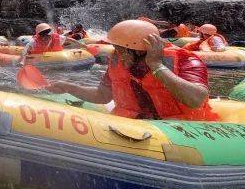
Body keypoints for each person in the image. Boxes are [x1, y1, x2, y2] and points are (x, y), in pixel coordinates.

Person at [46, 19, 217, 121]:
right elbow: (102, 96)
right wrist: (68, 87)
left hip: (183, 130)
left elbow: (196, 100)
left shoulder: (186, 60)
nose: (116, 53)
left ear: (139, 49)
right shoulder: (116, 60)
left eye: (120, 49)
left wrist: (156, 66)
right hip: (135, 125)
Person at [19, 22, 85, 65]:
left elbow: (70, 39)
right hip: (40, 58)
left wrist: (81, 45)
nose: (48, 37)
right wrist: (23, 61)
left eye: (49, 35)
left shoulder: (57, 37)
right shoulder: (34, 42)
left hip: (57, 58)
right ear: (40, 36)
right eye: (45, 35)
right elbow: (25, 51)